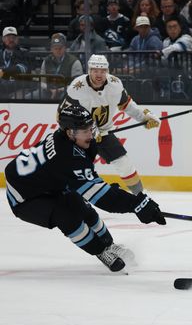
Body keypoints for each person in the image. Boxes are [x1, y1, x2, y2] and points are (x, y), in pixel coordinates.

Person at [4, 104, 166, 273]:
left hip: (48, 185)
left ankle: (109, 245)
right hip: (25, 198)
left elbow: (86, 180)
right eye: (85, 131)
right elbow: (103, 198)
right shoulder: (67, 156)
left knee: (82, 207)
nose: (91, 134)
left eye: (91, 128)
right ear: (70, 133)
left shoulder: (67, 139)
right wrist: (137, 204)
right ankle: (100, 251)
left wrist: (109, 192)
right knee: (66, 216)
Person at [60, 55, 160, 195]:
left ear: (107, 71)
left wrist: (144, 117)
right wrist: (87, 130)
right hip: (78, 136)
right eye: (95, 70)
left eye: (102, 71)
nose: (99, 74)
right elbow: (62, 115)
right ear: (89, 71)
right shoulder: (77, 87)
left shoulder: (115, 85)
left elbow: (127, 105)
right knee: (73, 167)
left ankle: (140, 196)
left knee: (124, 164)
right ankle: (65, 196)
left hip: (104, 132)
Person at [39, 32, 82, 100]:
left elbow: (78, 84)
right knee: (29, 97)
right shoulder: (46, 61)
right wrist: (49, 89)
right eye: (55, 48)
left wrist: (60, 90)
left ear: (65, 48)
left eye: (60, 48)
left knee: (64, 98)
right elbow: (42, 81)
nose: (58, 50)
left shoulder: (74, 62)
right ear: (51, 49)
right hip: (49, 90)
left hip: (67, 91)